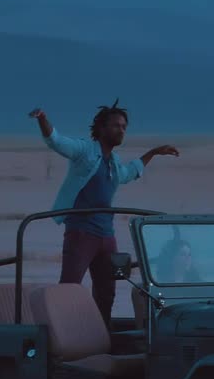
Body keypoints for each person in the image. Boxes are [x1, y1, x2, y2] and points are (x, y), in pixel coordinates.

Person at [29, 101, 180, 323]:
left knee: (106, 292)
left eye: (124, 127)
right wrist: (43, 119)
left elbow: (128, 173)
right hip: (81, 232)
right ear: (102, 128)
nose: (121, 130)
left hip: (106, 235)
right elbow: (57, 141)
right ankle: (60, 333)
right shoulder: (85, 151)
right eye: (116, 125)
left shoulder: (114, 161)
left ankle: (102, 334)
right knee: (69, 288)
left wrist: (153, 153)